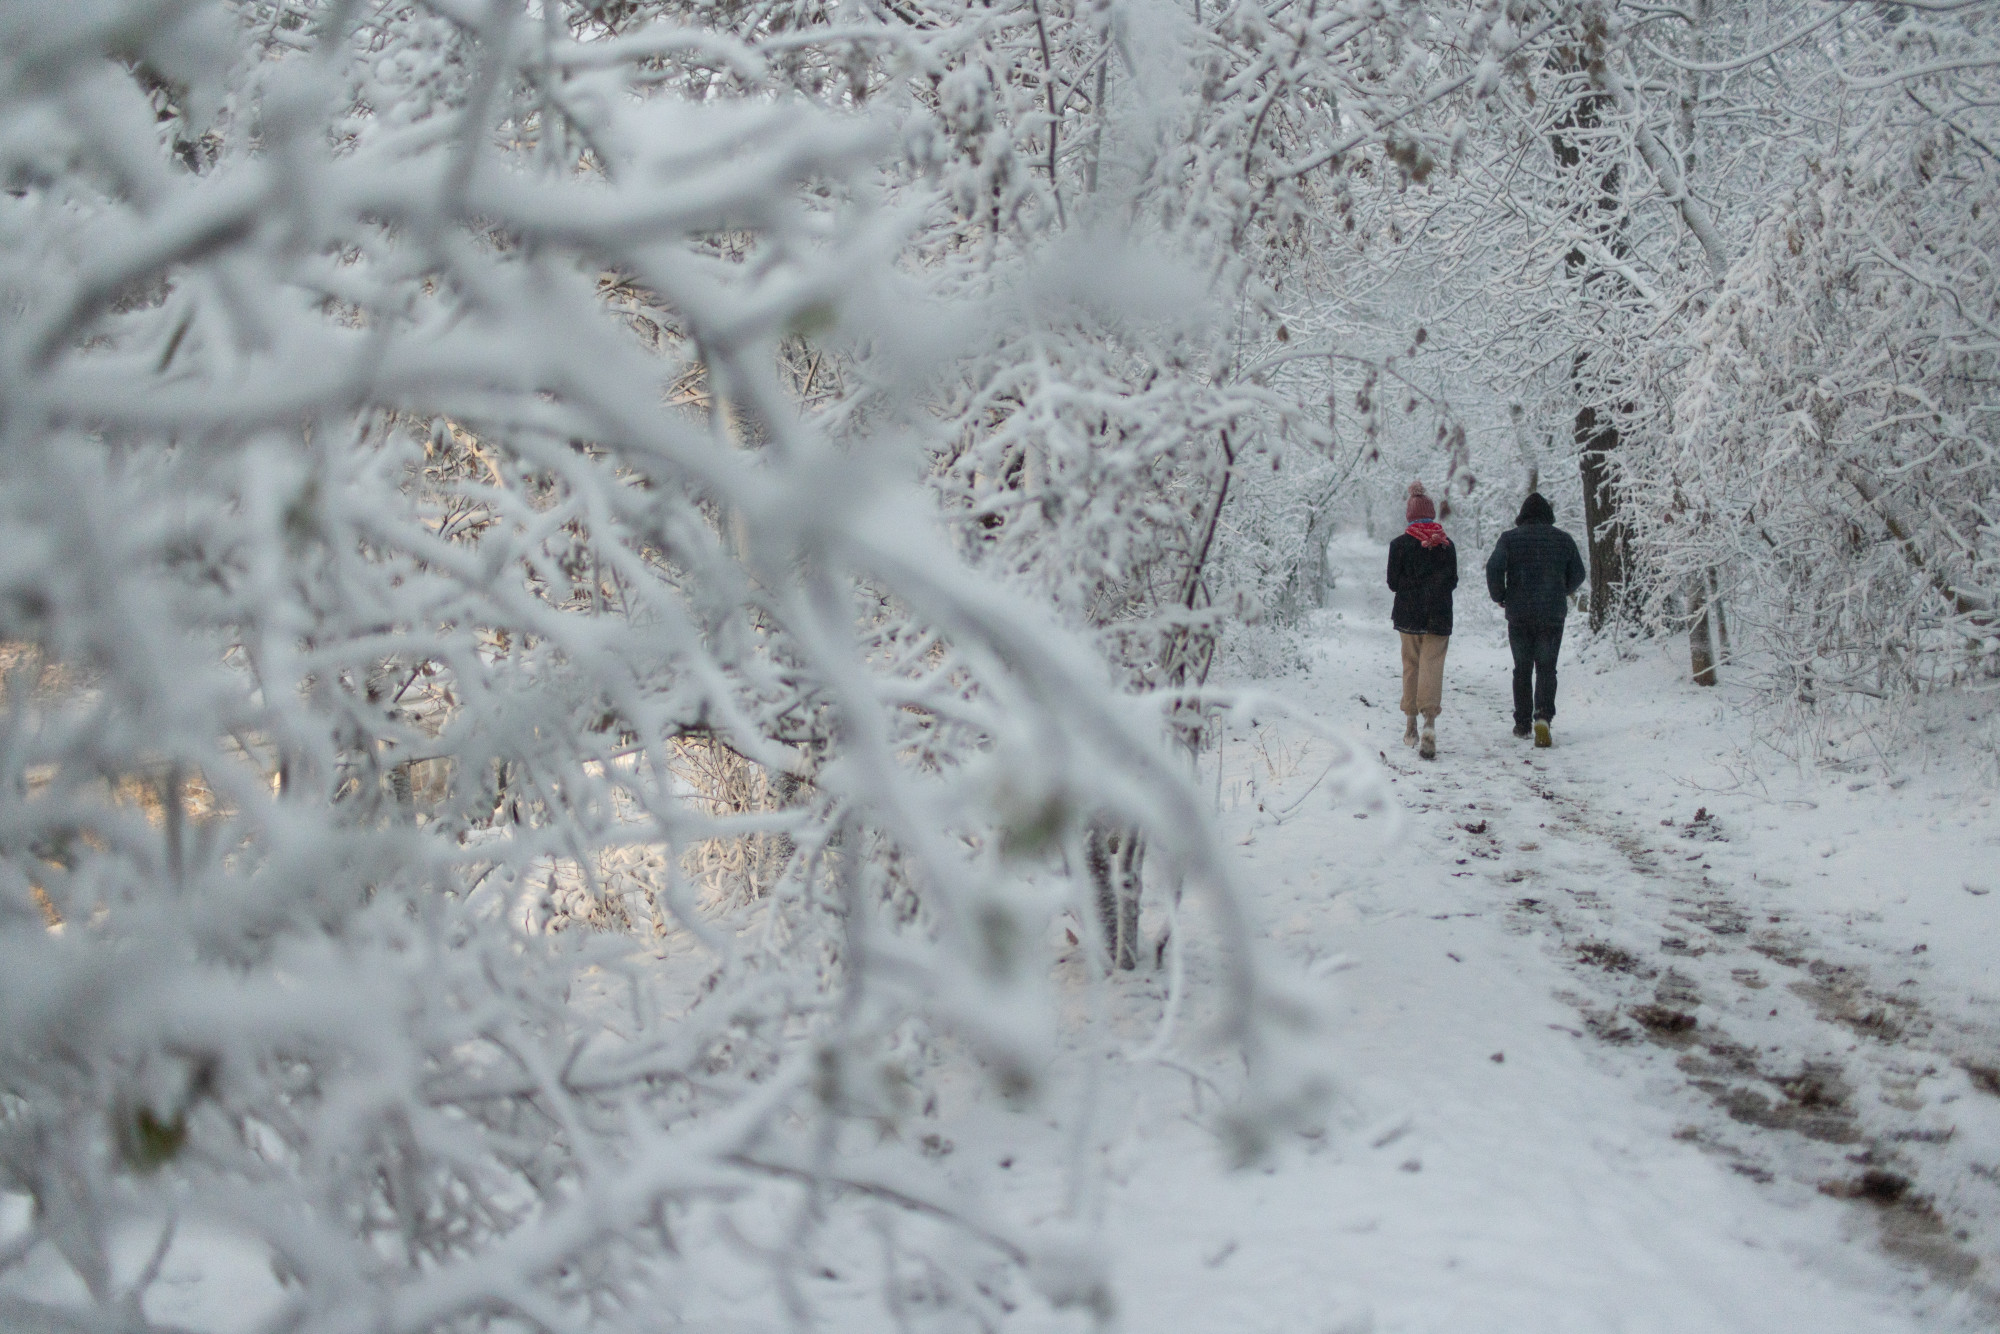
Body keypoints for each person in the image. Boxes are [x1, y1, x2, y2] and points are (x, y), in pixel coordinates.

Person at [1484, 491, 1587, 747]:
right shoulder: (1563, 540)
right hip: (1551, 613)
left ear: (1523, 515)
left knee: (1522, 668)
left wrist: (1500, 595)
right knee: (1546, 667)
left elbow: (1493, 568)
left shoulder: (1509, 539)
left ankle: (1521, 723)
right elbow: (1579, 574)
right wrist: (1561, 589)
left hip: (1519, 612)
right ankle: (1543, 717)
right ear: (1548, 515)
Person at [1386, 481, 1456, 760]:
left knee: (1411, 665)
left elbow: (1392, 583)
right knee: (1433, 666)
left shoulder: (1399, 545)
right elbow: (1452, 581)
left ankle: (1410, 725)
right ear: (1432, 515)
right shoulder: (1446, 545)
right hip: (1439, 616)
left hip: (1408, 617)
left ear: (1409, 515)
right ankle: (1430, 722)